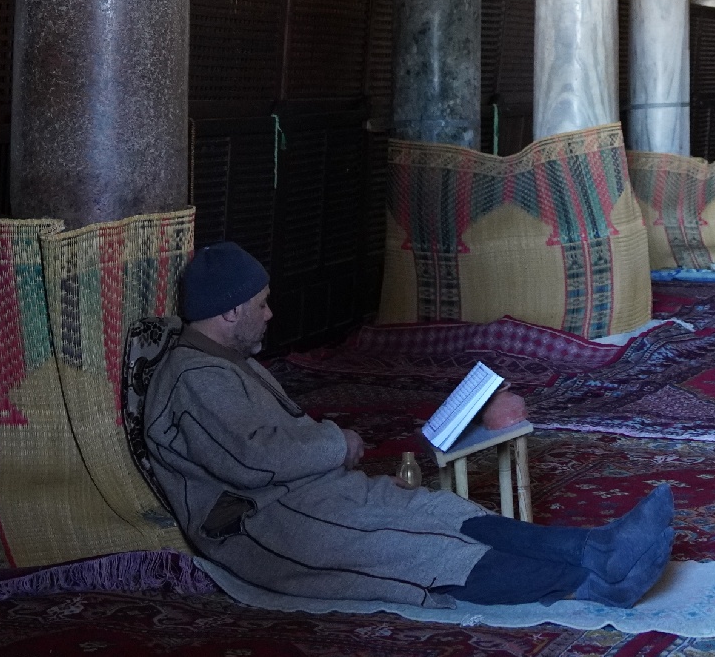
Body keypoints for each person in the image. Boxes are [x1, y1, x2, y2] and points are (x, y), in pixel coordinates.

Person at [141, 240, 673, 607]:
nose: (271, 314)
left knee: (435, 510)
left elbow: (274, 446)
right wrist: (338, 443)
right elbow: (255, 461)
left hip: (302, 494)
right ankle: (592, 584)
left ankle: (596, 548)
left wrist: (340, 461)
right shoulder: (195, 379)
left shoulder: (226, 365)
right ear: (230, 312)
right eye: (261, 304)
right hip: (262, 523)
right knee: (424, 554)